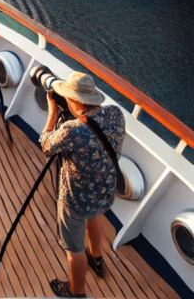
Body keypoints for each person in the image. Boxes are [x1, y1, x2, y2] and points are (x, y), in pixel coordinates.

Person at [40, 72, 126, 298]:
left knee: (74, 250)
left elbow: (47, 146)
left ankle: (76, 292)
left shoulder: (72, 131)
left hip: (76, 199)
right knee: (93, 215)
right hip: (104, 191)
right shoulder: (116, 114)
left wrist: (53, 113)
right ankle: (96, 258)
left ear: (74, 101)